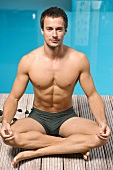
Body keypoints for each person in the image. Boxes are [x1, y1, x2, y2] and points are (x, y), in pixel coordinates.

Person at [0, 7, 111, 166]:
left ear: (65, 30)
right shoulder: (28, 61)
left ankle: (38, 151)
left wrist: (102, 122)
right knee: (10, 136)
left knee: (101, 136)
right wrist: (5, 122)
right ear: (42, 30)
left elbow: (92, 95)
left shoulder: (79, 60)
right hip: (38, 117)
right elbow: (14, 97)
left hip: (66, 117)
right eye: (49, 29)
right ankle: (74, 146)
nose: (54, 34)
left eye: (59, 29)